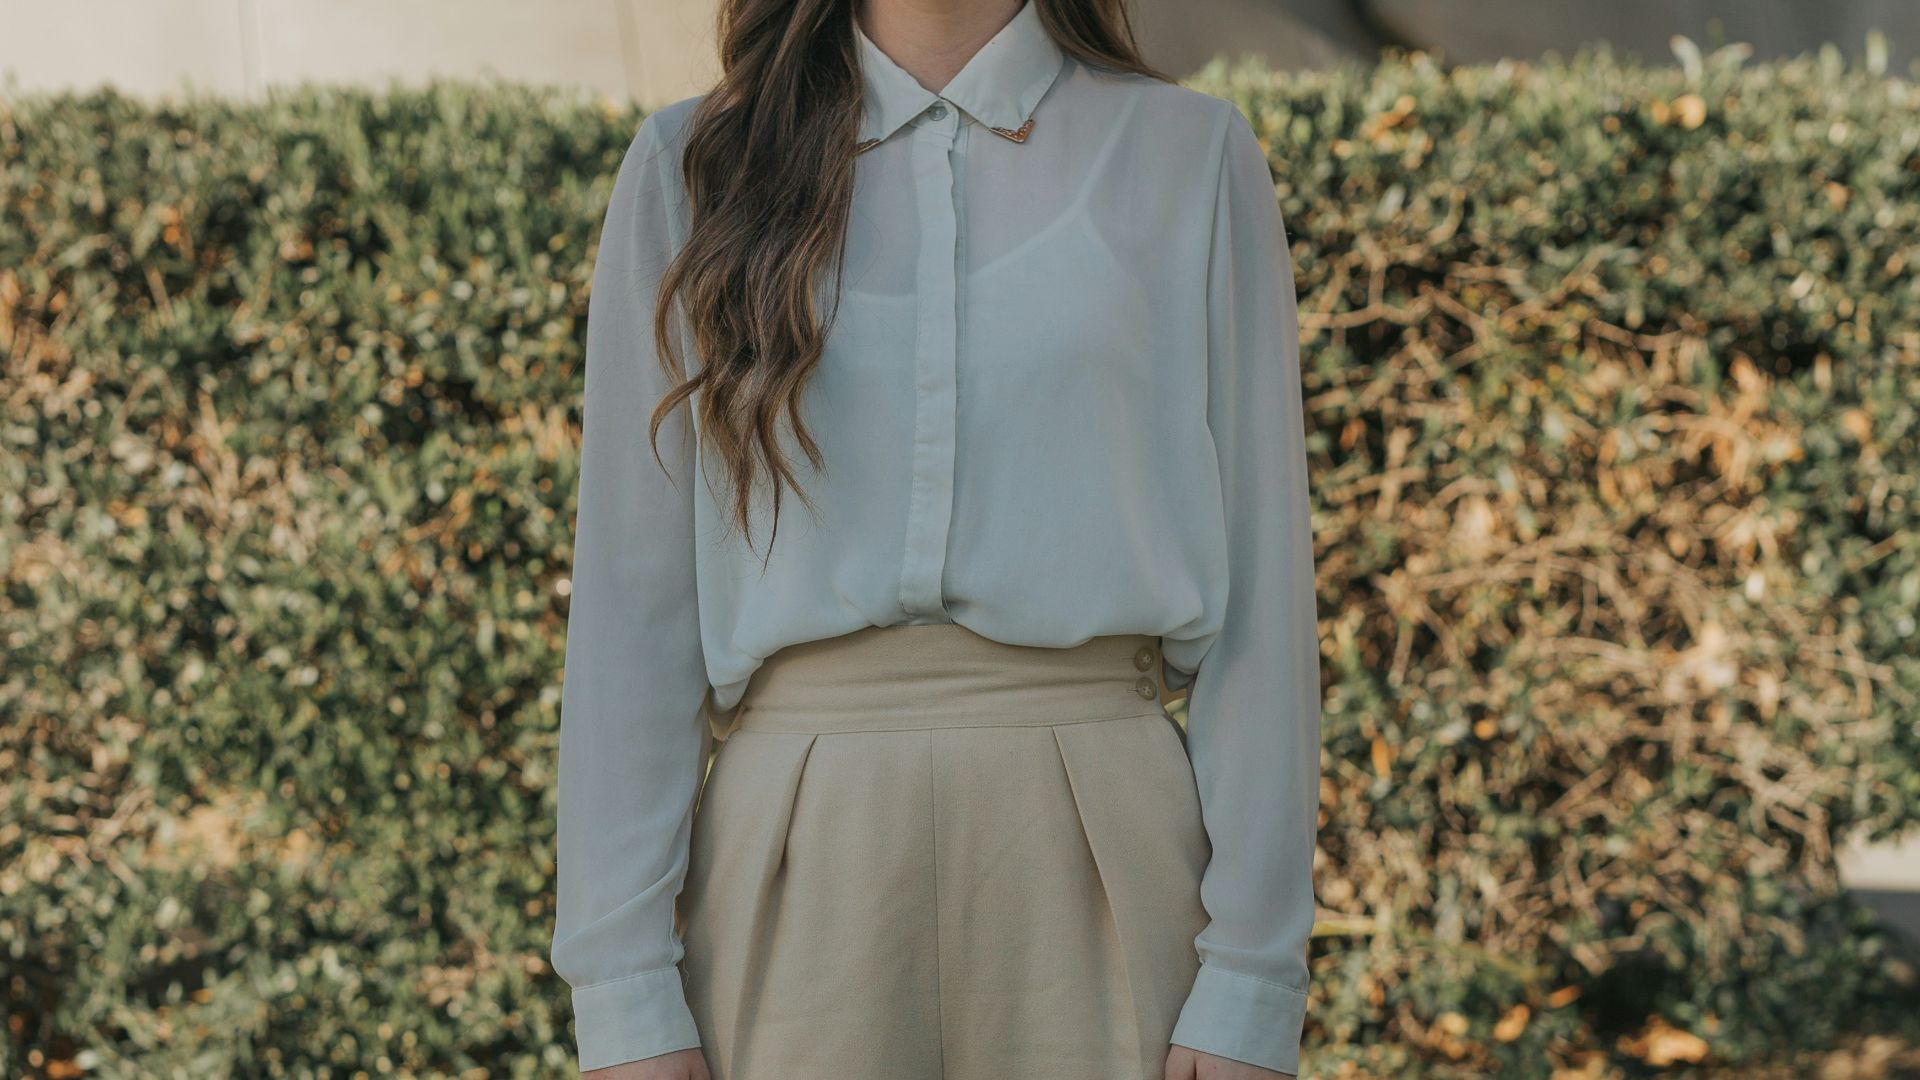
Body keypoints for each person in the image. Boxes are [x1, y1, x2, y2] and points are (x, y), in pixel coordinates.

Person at [548, 0, 1321, 1077]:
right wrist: (623, 991)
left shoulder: (1191, 156)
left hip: (1109, 841)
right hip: (789, 864)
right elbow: (634, 611)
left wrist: (1252, 974)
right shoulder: (693, 166)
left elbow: (1265, 602)